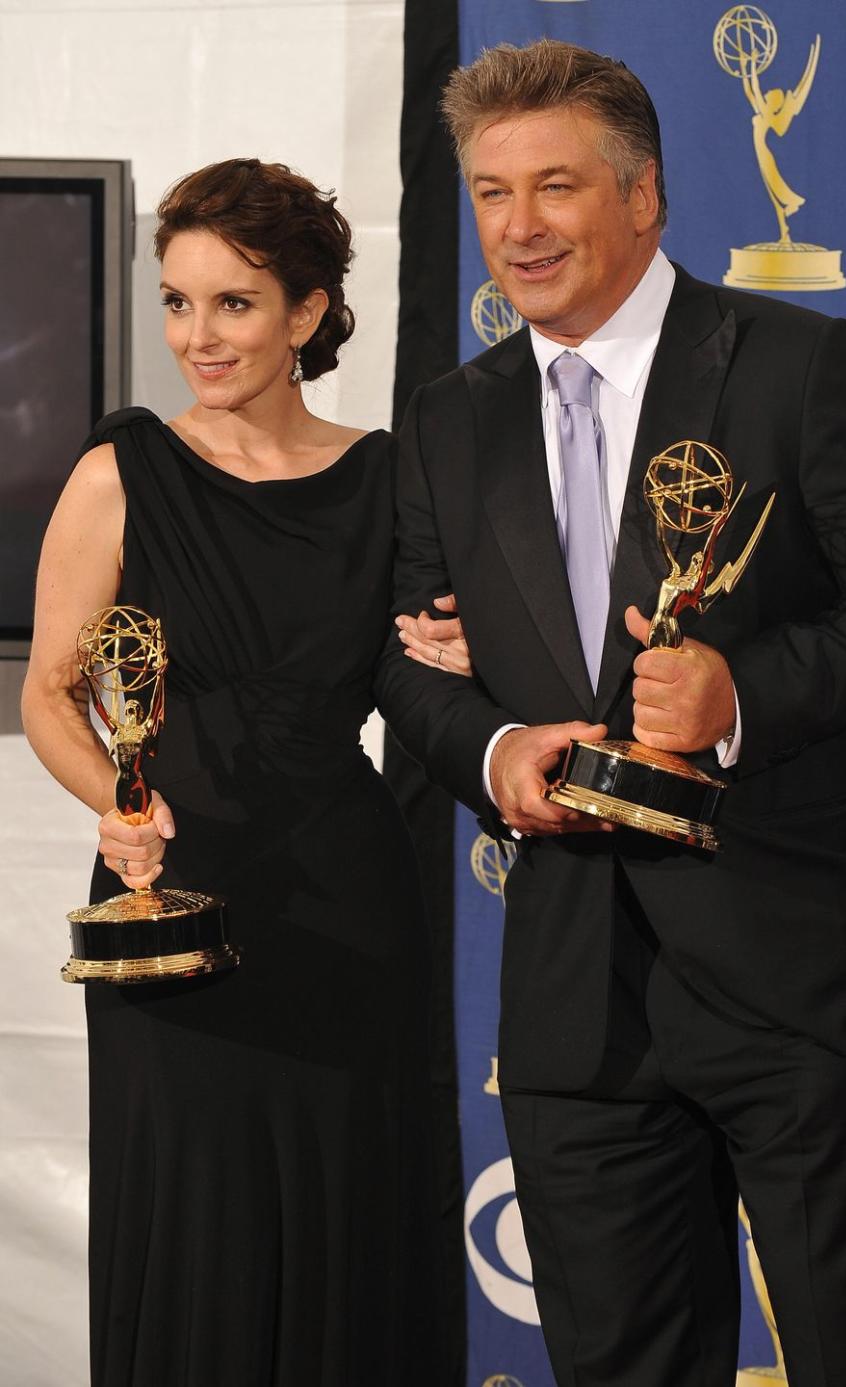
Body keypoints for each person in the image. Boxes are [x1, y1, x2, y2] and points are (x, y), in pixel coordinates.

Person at [378, 39, 846, 1387]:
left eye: (556, 186)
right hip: (578, 996)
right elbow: (409, 659)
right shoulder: (450, 418)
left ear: (642, 197)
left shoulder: (798, 364)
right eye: (490, 193)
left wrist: (741, 691)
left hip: (797, 966)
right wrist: (495, 745)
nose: (518, 228)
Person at [21, 158, 464, 1387]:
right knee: (195, 1225)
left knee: (350, 1224)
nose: (196, 337)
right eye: (176, 302)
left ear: (309, 312)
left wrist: (455, 649)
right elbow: (50, 694)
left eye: (233, 303)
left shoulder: (389, 476)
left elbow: (424, 668)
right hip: (172, 895)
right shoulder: (122, 472)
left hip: (347, 905)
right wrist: (117, 808)